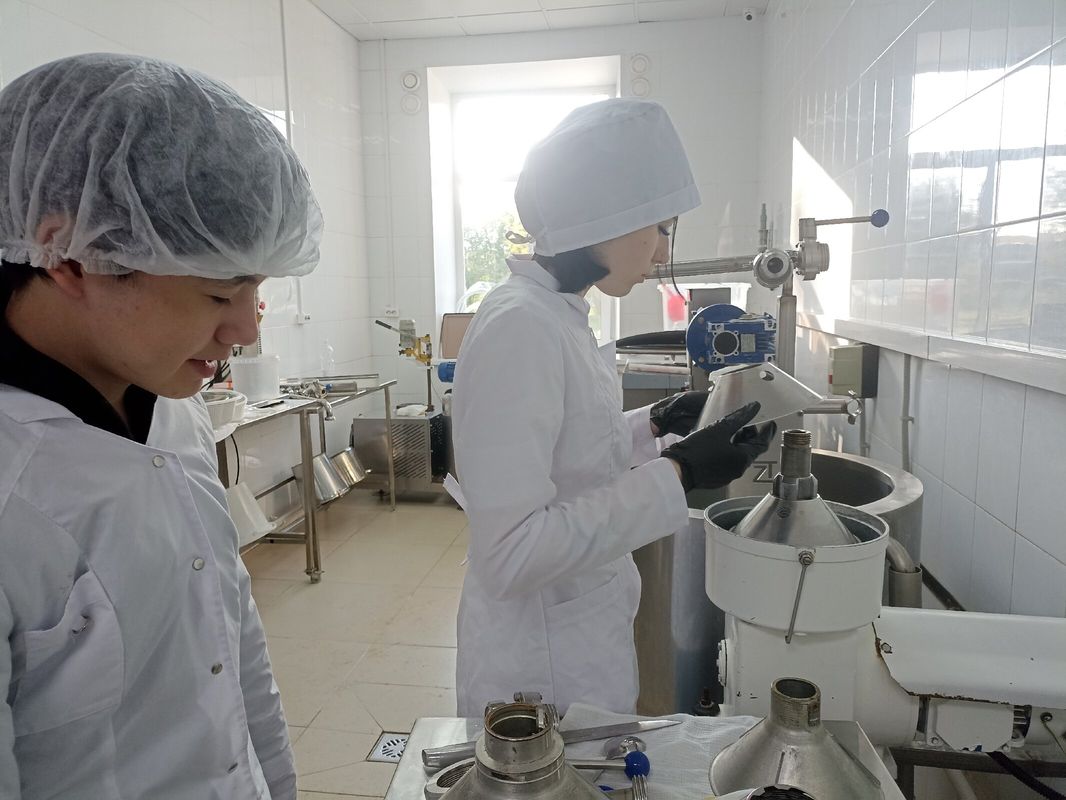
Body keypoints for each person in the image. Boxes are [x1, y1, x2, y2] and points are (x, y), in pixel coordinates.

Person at [0, 53, 323, 799]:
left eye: (255, 289)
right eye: (217, 295)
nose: (246, 330)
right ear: (72, 256)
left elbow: (232, 639)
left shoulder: (171, 407)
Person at [450, 98, 775, 717]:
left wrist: (655, 423)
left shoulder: (555, 312)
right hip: (540, 671)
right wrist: (680, 472)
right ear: (605, 221)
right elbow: (512, 553)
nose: (661, 253)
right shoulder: (521, 327)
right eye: (661, 228)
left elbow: (566, 457)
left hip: (574, 634)